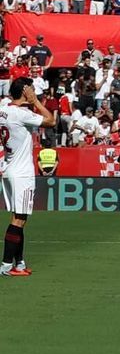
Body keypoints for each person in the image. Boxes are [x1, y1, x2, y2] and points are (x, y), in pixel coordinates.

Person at [0, 78, 53, 276]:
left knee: (18, 217)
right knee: (19, 220)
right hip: (21, 172)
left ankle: (19, 263)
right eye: (30, 88)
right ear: (24, 90)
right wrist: (37, 102)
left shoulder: (4, 110)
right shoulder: (22, 114)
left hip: (9, 167)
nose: (33, 90)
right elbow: (51, 121)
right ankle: (6, 266)